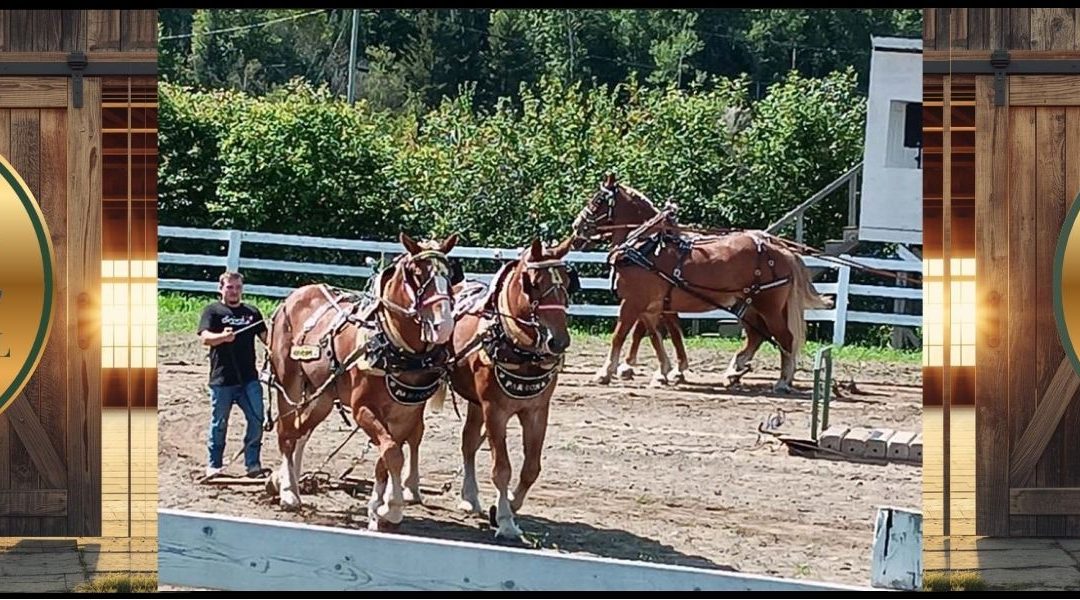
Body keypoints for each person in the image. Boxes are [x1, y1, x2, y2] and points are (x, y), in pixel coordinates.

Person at [197, 271, 268, 478]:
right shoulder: (212, 311)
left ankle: (253, 465)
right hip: (222, 379)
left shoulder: (252, 313)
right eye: (229, 287)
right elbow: (205, 338)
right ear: (221, 289)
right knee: (219, 424)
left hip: (249, 379)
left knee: (257, 420)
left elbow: (268, 339)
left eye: (237, 287)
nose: (234, 291)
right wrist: (222, 337)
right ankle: (214, 465)